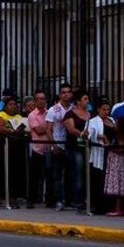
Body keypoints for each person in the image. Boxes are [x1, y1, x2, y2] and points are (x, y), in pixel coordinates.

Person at [0, 98, 28, 208]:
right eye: (10, 104)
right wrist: (12, 131)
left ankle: (13, 197)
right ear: (5, 106)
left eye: (14, 104)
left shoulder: (18, 117)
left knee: (16, 172)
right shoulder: (1, 115)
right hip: (4, 146)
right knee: (3, 171)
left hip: (17, 147)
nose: (13, 106)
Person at [46, 83, 73, 211]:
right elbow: (48, 129)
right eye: (63, 92)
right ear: (60, 94)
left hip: (70, 145)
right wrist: (53, 145)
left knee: (70, 174)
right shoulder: (53, 110)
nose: (66, 94)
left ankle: (69, 200)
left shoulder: (73, 109)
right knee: (56, 175)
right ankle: (58, 200)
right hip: (57, 145)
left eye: (68, 92)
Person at [62, 90, 91, 211]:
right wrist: (82, 134)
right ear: (78, 101)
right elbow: (71, 129)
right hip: (75, 148)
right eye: (85, 99)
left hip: (87, 148)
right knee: (77, 173)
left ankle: (86, 198)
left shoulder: (89, 114)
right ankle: (76, 199)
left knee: (86, 173)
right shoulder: (70, 114)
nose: (87, 101)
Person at [84, 98, 113, 214]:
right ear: (98, 110)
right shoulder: (92, 121)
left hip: (111, 153)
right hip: (98, 153)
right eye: (103, 109)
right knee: (98, 180)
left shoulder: (112, 120)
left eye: (108, 109)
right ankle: (97, 205)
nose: (106, 112)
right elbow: (87, 134)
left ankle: (108, 205)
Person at [27, 90, 52, 209]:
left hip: (48, 148)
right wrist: (48, 127)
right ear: (35, 101)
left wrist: (47, 128)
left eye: (43, 98)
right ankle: (31, 199)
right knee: (34, 176)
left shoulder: (49, 113)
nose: (41, 101)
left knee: (50, 175)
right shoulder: (32, 115)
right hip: (37, 148)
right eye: (39, 99)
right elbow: (39, 130)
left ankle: (49, 200)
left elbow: (51, 128)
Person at [104, 108, 124, 217]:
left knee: (119, 185)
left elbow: (120, 149)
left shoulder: (121, 137)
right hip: (115, 161)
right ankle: (118, 207)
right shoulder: (118, 135)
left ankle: (119, 208)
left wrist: (109, 145)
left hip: (119, 163)